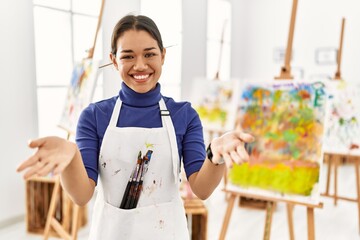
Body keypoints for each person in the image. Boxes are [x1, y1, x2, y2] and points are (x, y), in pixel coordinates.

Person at [17, 14, 254, 239]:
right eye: (128, 56)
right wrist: (70, 156)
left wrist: (215, 155)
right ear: (113, 60)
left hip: (167, 233)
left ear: (163, 55)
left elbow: (201, 189)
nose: (140, 65)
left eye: (149, 54)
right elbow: (81, 195)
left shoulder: (184, 115)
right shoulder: (94, 116)